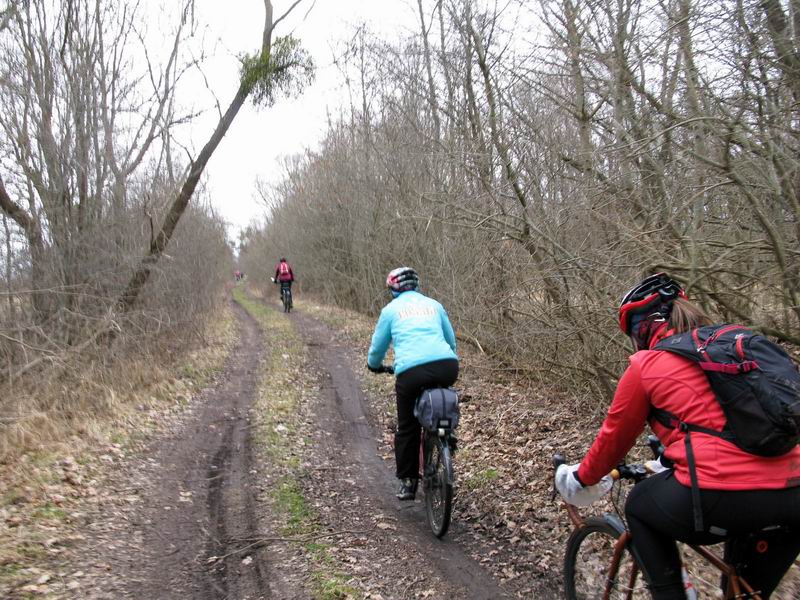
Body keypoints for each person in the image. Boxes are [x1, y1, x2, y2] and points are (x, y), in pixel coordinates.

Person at [555, 273, 800, 599]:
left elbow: (612, 441)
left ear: (642, 329)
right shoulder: (731, 345)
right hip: (794, 491)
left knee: (639, 505)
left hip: (722, 493)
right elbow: (717, 424)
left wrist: (579, 479)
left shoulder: (648, 364)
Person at [367, 267, 459, 500]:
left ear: (393, 289)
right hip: (446, 365)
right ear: (416, 285)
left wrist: (374, 365)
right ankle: (446, 435)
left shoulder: (390, 311)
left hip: (411, 371)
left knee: (407, 426)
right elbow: (450, 340)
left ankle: (408, 481)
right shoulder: (434, 305)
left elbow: (378, 347)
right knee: (441, 394)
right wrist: (448, 356)